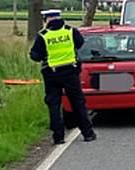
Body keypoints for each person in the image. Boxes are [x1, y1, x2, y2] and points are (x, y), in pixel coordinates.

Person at [30, 9, 96, 144]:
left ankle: (58, 137)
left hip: (52, 75)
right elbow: (80, 43)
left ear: (47, 20)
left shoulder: (43, 35)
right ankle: (88, 133)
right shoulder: (71, 32)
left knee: (54, 105)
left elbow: (35, 56)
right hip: (71, 73)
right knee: (78, 103)